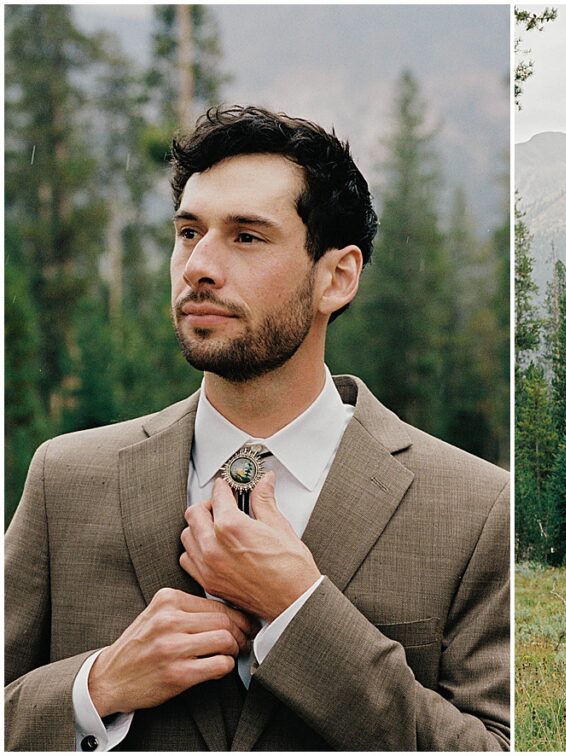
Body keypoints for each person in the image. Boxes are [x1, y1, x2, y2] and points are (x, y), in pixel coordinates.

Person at [5, 106, 510, 751]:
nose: (198, 267)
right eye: (189, 233)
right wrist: (95, 688)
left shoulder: (476, 508)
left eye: (246, 237)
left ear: (337, 277)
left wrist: (301, 610)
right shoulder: (65, 481)